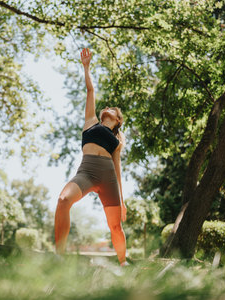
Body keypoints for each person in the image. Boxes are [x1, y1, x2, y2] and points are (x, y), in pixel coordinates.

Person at [54, 48, 128, 265]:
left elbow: (118, 169)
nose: (107, 108)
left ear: (118, 120)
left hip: (108, 177)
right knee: (62, 200)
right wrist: (86, 67)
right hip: (86, 172)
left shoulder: (118, 140)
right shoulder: (91, 122)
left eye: (112, 109)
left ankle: (123, 262)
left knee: (115, 226)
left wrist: (122, 201)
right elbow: (90, 90)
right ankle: (59, 256)